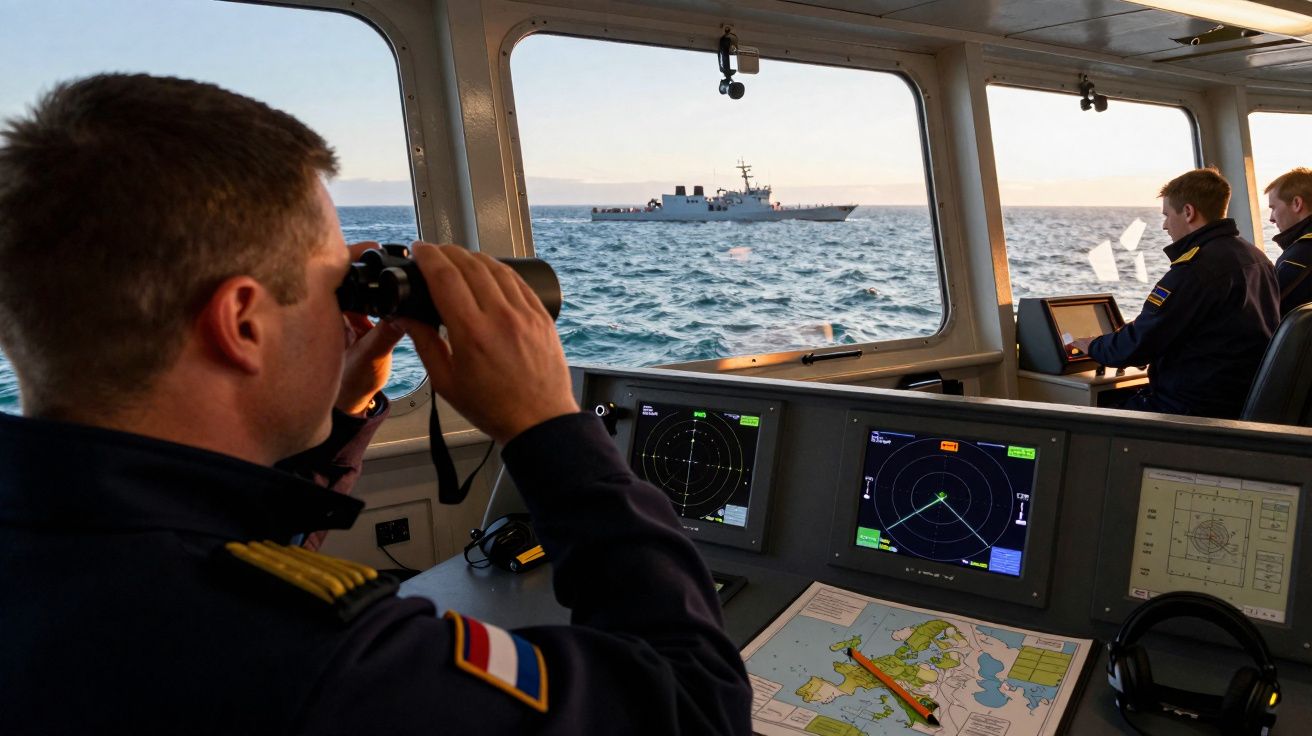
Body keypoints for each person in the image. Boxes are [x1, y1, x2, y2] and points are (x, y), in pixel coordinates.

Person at [0, 74, 751, 734]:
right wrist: (547, 424)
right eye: (338, 283)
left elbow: (214, 555)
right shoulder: (322, 665)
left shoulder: (69, 552)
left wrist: (339, 409)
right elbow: (697, 710)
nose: (346, 310)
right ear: (243, 324)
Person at [1069, 168, 1280, 418]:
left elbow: (1140, 343)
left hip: (1192, 408)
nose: (1164, 225)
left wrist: (1093, 345)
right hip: (1236, 399)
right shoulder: (1256, 258)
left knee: (1090, 419)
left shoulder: (1196, 270)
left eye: (1167, 215)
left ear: (1189, 212)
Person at [1264, 167, 1312, 315]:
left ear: (1297, 203)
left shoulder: (1296, 259)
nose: (1271, 218)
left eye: (1273, 208)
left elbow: (1266, 312)